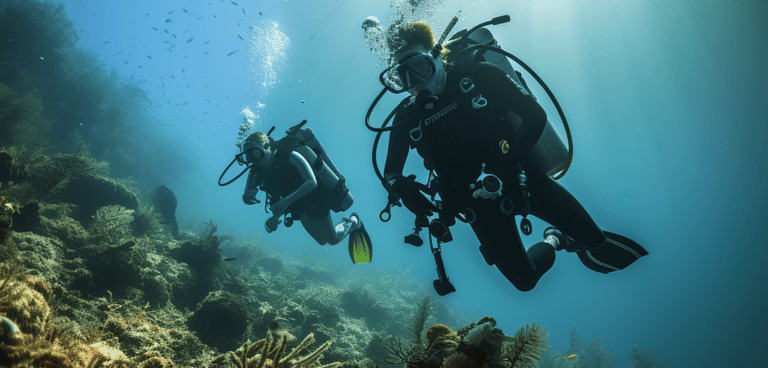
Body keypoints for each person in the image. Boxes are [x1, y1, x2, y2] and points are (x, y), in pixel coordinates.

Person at [371, 18, 646, 293]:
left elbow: (534, 116)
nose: (415, 82)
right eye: (404, 77)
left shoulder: (477, 74)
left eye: (419, 67)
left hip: (522, 178)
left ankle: (571, 237)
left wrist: (506, 159)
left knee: (595, 241)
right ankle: (555, 239)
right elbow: (390, 172)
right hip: (474, 205)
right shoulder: (406, 116)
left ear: (435, 55)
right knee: (524, 281)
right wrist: (402, 189)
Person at [239, 121, 373, 263]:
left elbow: (311, 182)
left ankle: (354, 222)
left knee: (333, 239)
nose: (253, 160)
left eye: (255, 153)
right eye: (248, 156)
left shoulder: (289, 155)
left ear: (267, 147)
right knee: (322, 241)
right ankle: (351, 223)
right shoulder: (257, 172)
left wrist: (285, 202)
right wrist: (274, 218)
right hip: (298, 204)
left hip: (317, 196)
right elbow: (278, 198)